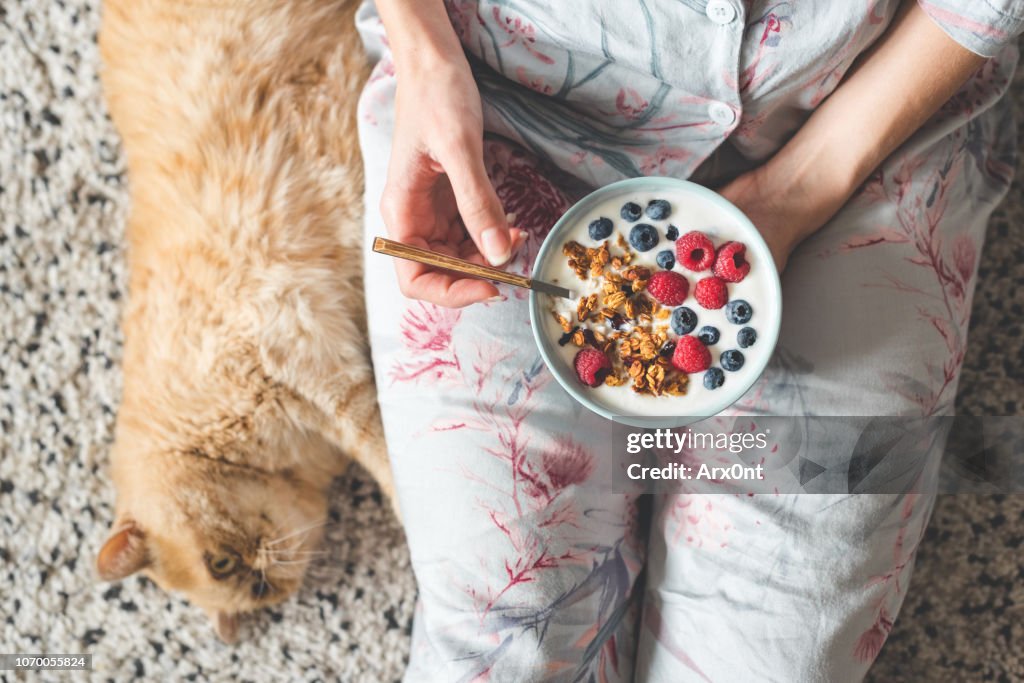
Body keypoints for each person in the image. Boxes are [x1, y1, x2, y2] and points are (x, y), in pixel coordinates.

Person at [356, 1, 1022, 680]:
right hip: (504, 102)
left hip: (864, 113)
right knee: (506, 649)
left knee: (769, 661)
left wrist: (801, 188)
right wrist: (426, 54)